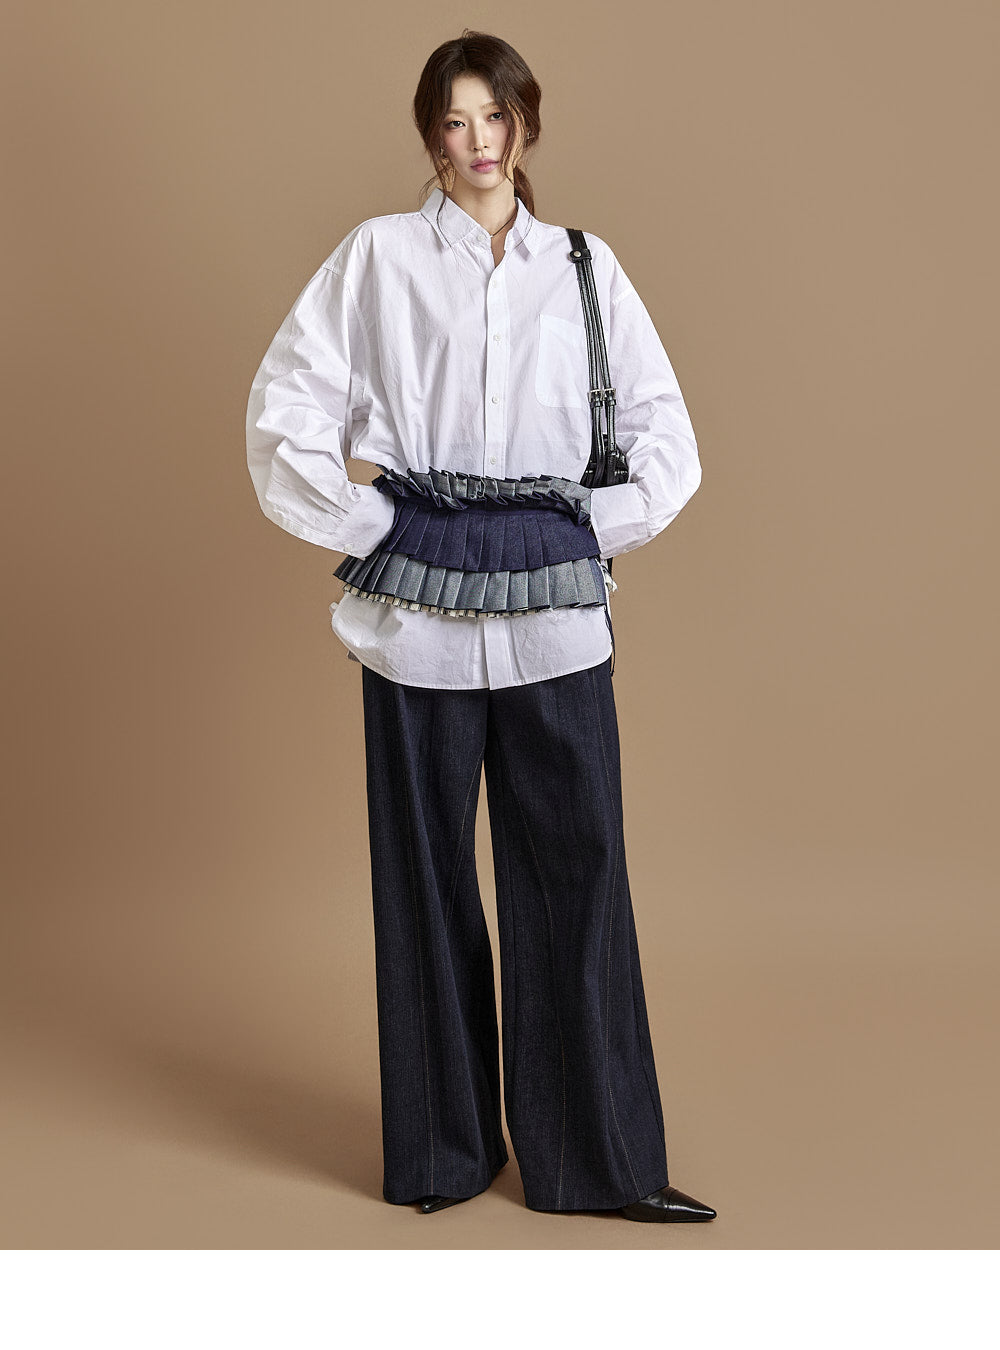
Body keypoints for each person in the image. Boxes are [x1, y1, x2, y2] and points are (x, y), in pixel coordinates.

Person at [246, 29, 716, 1223]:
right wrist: (366, 517)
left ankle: (597, 1163)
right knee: (423, 876)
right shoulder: (378, 258)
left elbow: (665, 436)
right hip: (414, 609)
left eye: (494, 116)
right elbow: (285, 405)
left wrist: (582, 527)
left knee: (579, 870)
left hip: (555, 606)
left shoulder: (584, 267)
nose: (477, 142)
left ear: (525, 121)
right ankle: (442, 1156)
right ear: (430, 135)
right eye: (453, 121)